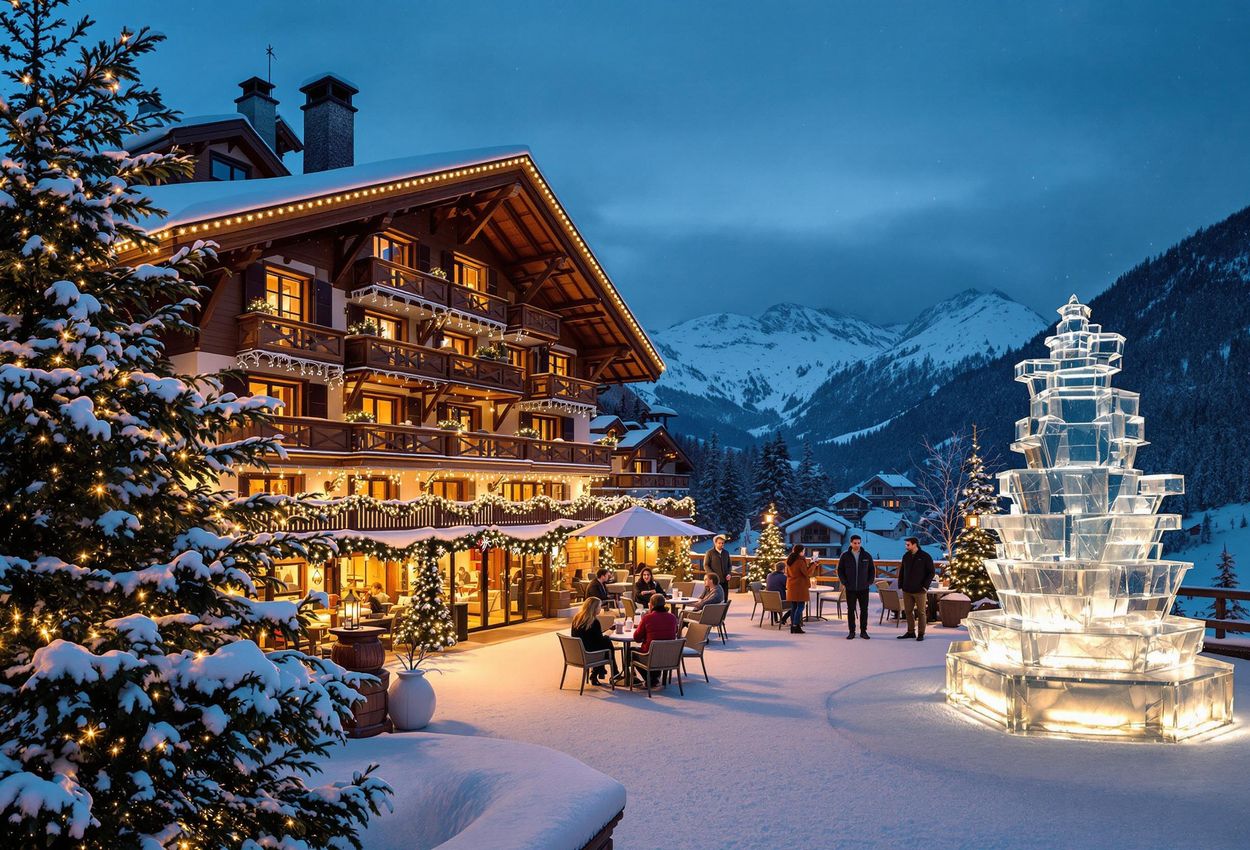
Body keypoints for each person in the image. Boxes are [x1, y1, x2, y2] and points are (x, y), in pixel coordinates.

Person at [633, 593, 679, 686]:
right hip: (668, 656)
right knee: (658, 648)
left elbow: (637, 638)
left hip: (650, 656)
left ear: (651, 605)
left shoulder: (647, 618)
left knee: (630, 652)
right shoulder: (672, 617)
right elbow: (675, 631)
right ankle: (654, 676)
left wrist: (645, 636)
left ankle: (648, 678)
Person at [570, 597, 618, 685]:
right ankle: (612, 672)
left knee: (605, 643)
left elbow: (591, 636)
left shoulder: (577, 618)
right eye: (599, 606)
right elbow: (599, 640)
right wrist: (609, 632)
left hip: (579, 651)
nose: (601, 608)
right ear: (594, 608)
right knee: (607, 642)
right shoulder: (594, 621)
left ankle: (601, 672)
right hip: (590, 654)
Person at [897, 537, 936, 641]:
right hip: (907, 589)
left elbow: (931, 572)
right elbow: (902, 571)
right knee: (908, 611)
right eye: (906, 544)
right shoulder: (906, 556)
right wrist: (901, 585)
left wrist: (925, 586)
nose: (906, 546)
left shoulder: (925, 556)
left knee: (921, 612)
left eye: (908, 545)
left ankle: (921, 633)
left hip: (920, 590)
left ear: (915, 544)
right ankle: (910, 632)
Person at [838, 534, 876, 640]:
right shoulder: (845, 556)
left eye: (859, 543)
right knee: (851, 610)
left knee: (864, 610)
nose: (857, 545)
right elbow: (840, 570)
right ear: (851, 543)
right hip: (850, 588)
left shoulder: (866, 556)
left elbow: (872, 570)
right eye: (855, 543)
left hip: (864, 588)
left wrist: (869, 582)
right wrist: (844, 582)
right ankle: (852, 632)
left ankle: (863, 631)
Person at [784, 544, 814, 634]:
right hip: (800, 586)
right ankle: (795, 625)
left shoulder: (789, 560)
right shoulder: (800, 561)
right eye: (803, 551)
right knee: (801, 606)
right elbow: (806, 573)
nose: (804, 552)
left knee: (794, 606)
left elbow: (788, 572)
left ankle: (793, 626)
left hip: (791, 585)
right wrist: (813, 565)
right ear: (800, 552)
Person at [703, 534, 731, 598]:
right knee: (714, 597)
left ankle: (725, 604)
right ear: (715, 543)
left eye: (722, 543)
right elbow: (706, 565)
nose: (721, 544)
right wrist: (712, 576)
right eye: (719, 543)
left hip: (725, 579)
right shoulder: (709, 553)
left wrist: (729, 574)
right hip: (714, 581)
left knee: (725, 597)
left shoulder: (726, 553)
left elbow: (729, 565)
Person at [765, 560, 792, 624]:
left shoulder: (769, 575)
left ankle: (776, 619)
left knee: (774, 595)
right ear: (784, 568)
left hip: (769, 602)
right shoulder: (783, 577)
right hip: (780, 602)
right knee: (796, 604)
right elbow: (788, 587)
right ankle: (783, 619)